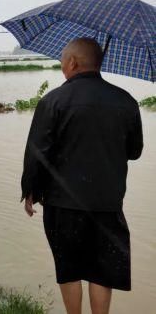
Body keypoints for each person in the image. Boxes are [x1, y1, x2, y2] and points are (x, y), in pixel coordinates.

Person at [21, 38, 143, 314]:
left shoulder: (53, 101)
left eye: (63, 60)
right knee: (102, 272)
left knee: (69, 268)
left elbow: (36, 153)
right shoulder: (126, 101)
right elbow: (134, 152)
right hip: (107, 202)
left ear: (73, 62)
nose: (62, 65)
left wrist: (30, 190)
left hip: (62, 203)